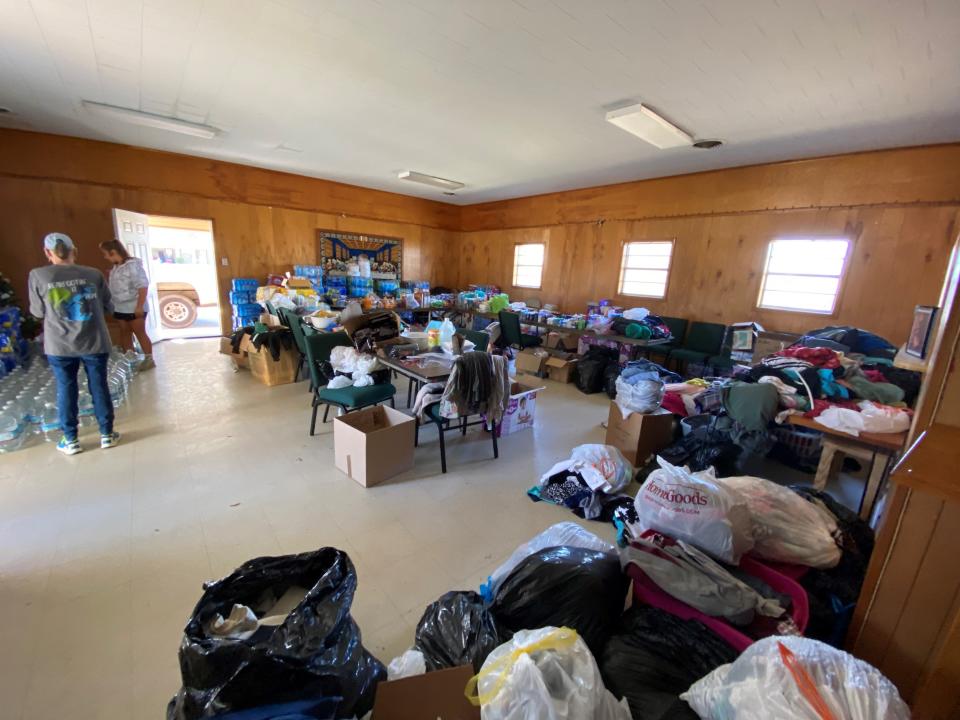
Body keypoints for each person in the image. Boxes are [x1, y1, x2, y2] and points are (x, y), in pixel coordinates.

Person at [28, 233, 120, 456]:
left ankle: (71, 440)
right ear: (74, 250)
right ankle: (107, 434)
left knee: (66, 387)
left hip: (60, 344)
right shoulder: (93, 274)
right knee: (99, 385)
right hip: (94, 340)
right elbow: (109, 306)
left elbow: (37, 311)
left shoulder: (38, 275)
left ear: (48, 253)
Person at [99, 239, 154, 370]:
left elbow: (142, 286)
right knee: (125, 332)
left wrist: (140, 305)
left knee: (139, 332)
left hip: (134, 306)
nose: (105, 257)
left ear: (113, 252)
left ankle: (149, 359)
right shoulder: (115, 267)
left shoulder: (133, 266)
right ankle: (130, 358)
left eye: (106, 254)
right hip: (120, 306)